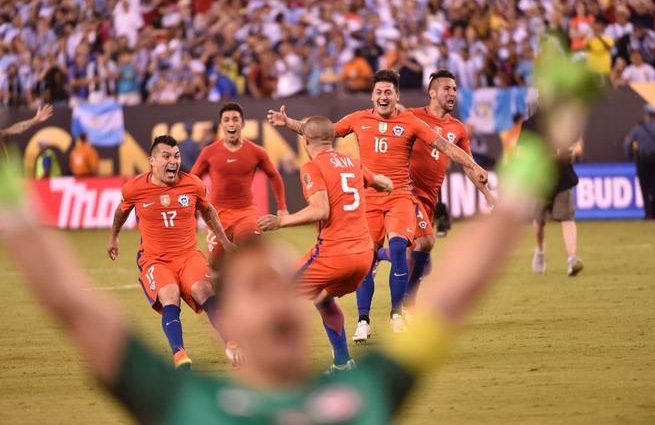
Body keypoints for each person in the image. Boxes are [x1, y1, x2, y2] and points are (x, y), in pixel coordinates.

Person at [0, 126, 556, 425]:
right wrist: (8, 197)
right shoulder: (186, 406)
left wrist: (533, 164)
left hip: (200, 253)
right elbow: (72, 303)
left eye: (280, 285)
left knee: (195, 285)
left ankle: (351, 331)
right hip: (159, 260)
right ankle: (181, 346)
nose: (277, 300)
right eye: (257, 288)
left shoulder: (360, 394)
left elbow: (456, 291)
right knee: (171, 292)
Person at [267, 69, 491, 337]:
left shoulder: (410, 121)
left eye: (388, 92)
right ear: (372, 96)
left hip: (400, 196)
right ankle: (363, 320)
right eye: (379, 92)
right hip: (370, 198)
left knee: (398, 247)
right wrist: (288, 122)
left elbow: (445, 146)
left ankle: (397, 314)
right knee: (368, 257)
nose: (383, 97)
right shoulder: (359, 118)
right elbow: (321, 132)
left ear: (397, 96)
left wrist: (473, 165)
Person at [258, 116, 392, 371]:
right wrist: (386, 184)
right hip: (363, 259)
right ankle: (342, 363)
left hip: (334, 256)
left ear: (306, 141)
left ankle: (263, 365)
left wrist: (282, 220)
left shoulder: (313, 167)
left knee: (274, 292)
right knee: (322, 299)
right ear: (332, 138)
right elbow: (383, 183)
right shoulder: (352, 163)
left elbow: (320, 210)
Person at [375, 69, 494, 325]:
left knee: (421, 259)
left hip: (429, 197)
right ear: (432, 92)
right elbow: (389, 117)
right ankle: (406, 307)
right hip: (406, 193)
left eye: (454, 89)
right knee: (425, 242)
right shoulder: (412, 116)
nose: (452, 93)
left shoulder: (458, 128)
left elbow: (468, 165)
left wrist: (487, 194)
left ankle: (379, 257)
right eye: (446, 89)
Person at [106, 135, 235, 368]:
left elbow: (208, 212)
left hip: (188, 256)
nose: (173, 161)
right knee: (170, 295)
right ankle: (179, 354)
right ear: (152, 161)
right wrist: (113, 237)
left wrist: (224, 241)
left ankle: (233, 344)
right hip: (155, 260)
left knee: (204, 290)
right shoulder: (134, 188)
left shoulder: (193, 184)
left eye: (176, 156)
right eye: (166, 156)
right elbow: (121, 212)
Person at [191, 102, 288, 263]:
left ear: (242, 124)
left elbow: (274, 176)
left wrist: (282, 208)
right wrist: (191, 210)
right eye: (227, 120)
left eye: (235, 119)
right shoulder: (209, 152)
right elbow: (192, 180)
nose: (231, 123)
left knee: (250, 254)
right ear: (221, 125)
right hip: (217, 215)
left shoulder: (257, 152)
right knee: (217, 264)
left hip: (246, 213)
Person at [532, 139, 584, 277]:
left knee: (567, 218)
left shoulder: (565, 127)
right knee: (539, 220)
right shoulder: (532, 127)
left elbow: (578, 148)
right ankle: (540, 250)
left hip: (563, 179)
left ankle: (572, 259)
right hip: (541, 179)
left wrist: (569, 152)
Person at [624, 104, 655, 219]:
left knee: (645, 187)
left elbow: (627, 144)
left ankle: (648, 213)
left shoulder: (638, 128)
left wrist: (631, 156)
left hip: (642, 160)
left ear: (646, 115)